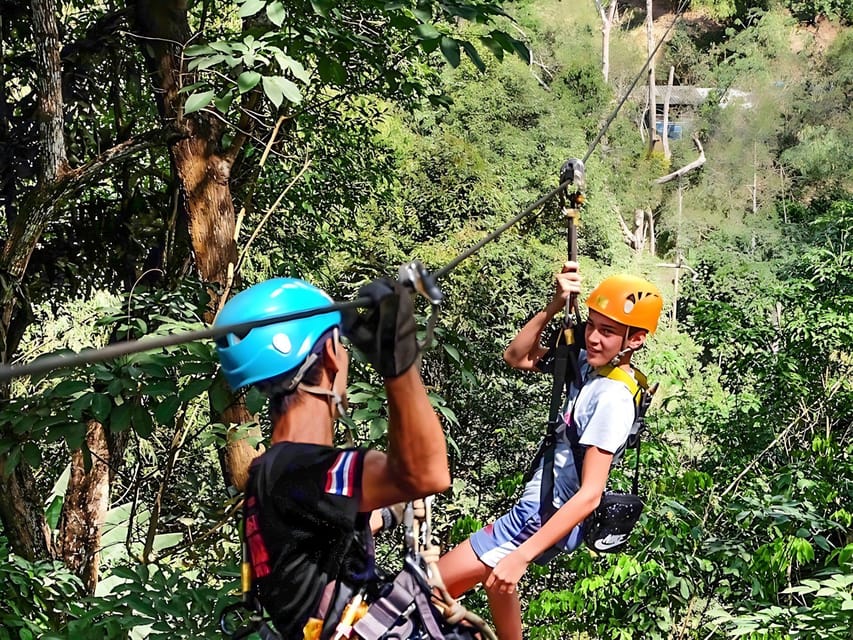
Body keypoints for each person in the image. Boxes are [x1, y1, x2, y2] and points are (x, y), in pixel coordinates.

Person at [436, 261, 663, 640]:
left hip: (541, 515)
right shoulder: (591, 367)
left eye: (608, 332)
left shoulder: (612, 398)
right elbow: (518, 357)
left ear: (635, 340)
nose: (593, 338)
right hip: (540, 508)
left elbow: (591, 494)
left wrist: (523, 555)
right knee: (497, 583)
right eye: (591, 325)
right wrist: (554, 306)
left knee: (423, 593)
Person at [215, 277, 451, 640]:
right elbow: (426, 474)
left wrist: (388, 514)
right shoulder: (301, 470)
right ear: (329, 356)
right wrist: (398, 362)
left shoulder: (272, 472)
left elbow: (322, 536)